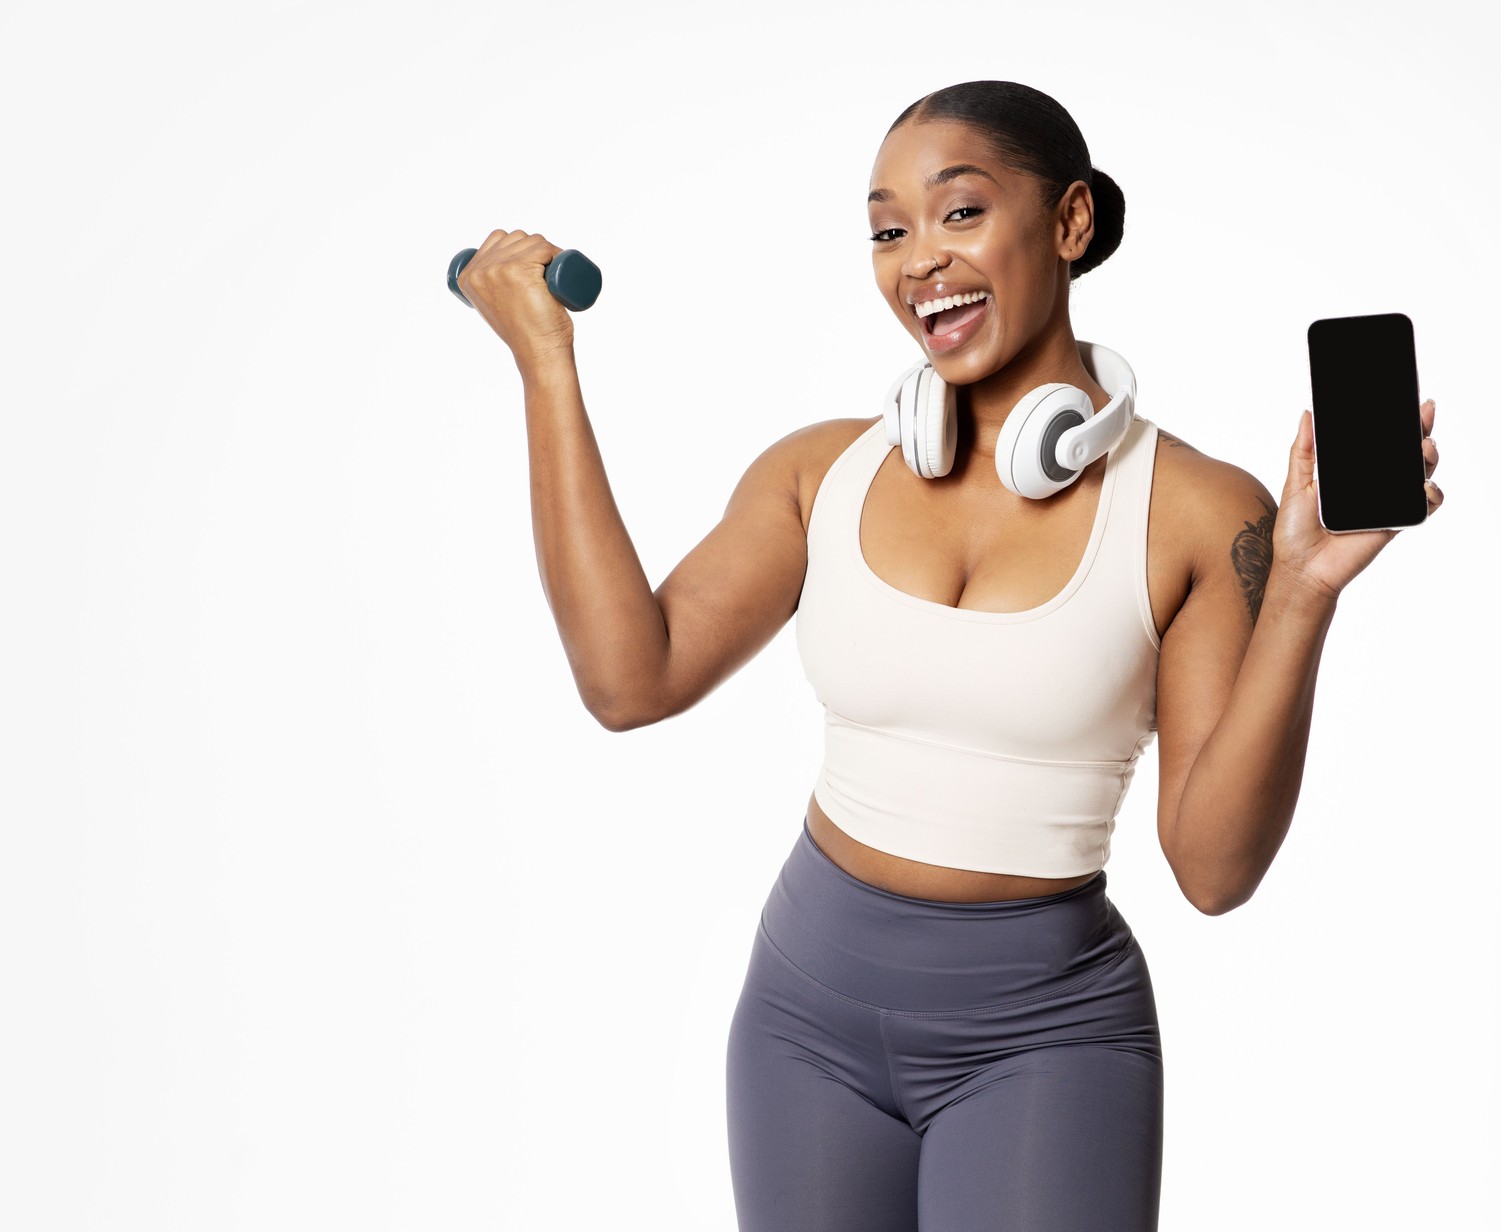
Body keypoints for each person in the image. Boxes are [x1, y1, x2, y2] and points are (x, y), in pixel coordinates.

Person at [456, 78, 1442, 1232]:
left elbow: (1213, 869)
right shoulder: (821, 473)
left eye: (959, 212)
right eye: (887, 229)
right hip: (801, 1021)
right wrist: (546, 365)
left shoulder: (1195, 511)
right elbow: (632, 680)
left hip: (1045, 1039)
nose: (919, 258)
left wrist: (1304, 592)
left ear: (1070, 223)